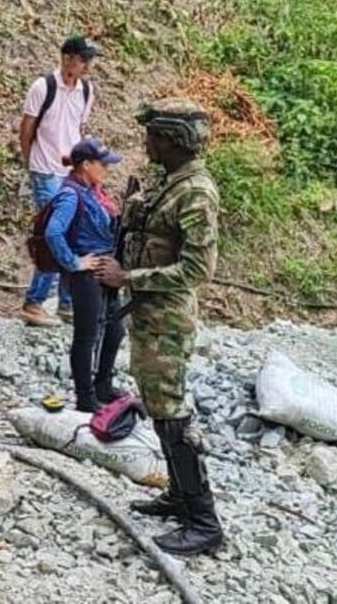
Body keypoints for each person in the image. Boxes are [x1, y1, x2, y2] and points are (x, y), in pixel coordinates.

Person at [93, 98, 223, 556]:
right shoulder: (171, 184)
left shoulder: (195, 192)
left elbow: (198, 270)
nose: (146, 142)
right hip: (151, 315)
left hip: (167, 318)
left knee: (171, 412)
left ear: (172, 140)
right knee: (158, 404)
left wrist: (129, 277)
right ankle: (180, 496)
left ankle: (204, 521)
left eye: (153, 135)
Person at [18, 35, 100, 327]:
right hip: (45, 169)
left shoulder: (86, 91)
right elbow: (26, 130)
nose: (87, 65)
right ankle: (34, 301)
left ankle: (66, 302)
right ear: (68, 58)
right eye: (83, 59)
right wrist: (32, 164)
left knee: (74, 232)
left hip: (70, 171)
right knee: (55, 234)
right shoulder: (43, 87)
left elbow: (79, 127)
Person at [43, 137, 126, 413]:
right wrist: (74, 263)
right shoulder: (71, 195)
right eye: (102, 164)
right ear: (86, 164)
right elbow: (53, 232)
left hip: (105, 271)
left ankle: (103, 384)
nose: (107, 169)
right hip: (87, 276)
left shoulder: (92, 191)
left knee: (114, 330)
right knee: (87, 335)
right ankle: (85, 397)